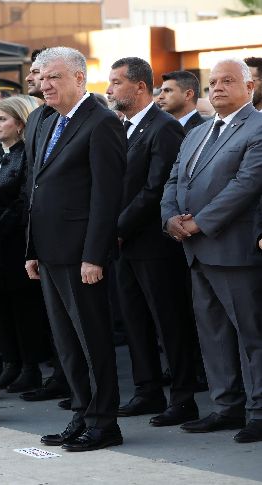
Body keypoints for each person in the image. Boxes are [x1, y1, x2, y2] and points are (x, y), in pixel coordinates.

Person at [26, 47, 126, 451]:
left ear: (80, 79)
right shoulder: (49, 120)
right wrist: (32, 249)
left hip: (82, 256)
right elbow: (35, 190)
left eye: (55, 77)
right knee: (66, 343)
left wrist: (94, 256)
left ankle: (105, 424)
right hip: (49, 252)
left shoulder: (100, 121)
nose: (45, 84)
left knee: (93, 341)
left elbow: (107, 196)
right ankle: (83, 414)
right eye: (42, 77)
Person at [162, 58, 262, 444]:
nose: (217, 87)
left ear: (249, 87)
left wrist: (200, 221)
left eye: (228, 81)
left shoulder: (257, 127)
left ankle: (258, 410)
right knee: (213, 333)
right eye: (213, 82)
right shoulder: (197, 132)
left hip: (233, 248)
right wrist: (170, 218)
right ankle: (226, 407)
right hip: (195, 249)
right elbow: (174, 179)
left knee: (251, 335)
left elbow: (247, 184)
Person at [105, 57, 199, 427]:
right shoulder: (121, 127)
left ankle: (183, 397)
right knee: (134, 320)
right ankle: (147, 390)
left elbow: (156, 188)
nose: (109, 90)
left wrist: (118, 226)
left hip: (153, 244)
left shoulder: (163, 129)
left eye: (116, 82)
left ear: (139, 87)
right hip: (125, 242)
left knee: (168, 322)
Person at [17, 54, 71, 406]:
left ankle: (80, 389)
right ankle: (63, 378)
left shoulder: (82, 117)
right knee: (56, 322)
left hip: (73, 239)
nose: (35, 78)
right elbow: (31, 180)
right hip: (42, 236)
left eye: (44, 73)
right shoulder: (38, 117)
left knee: (77, 324)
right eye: (36, 72)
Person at [0, 97, 51, 394]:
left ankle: (30, 368)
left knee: (23, 306)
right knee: (0, 305)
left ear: (20, 124)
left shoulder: (25, 155)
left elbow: (22, 200)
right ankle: (10, 364)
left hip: (16, 241)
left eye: (3, 119)